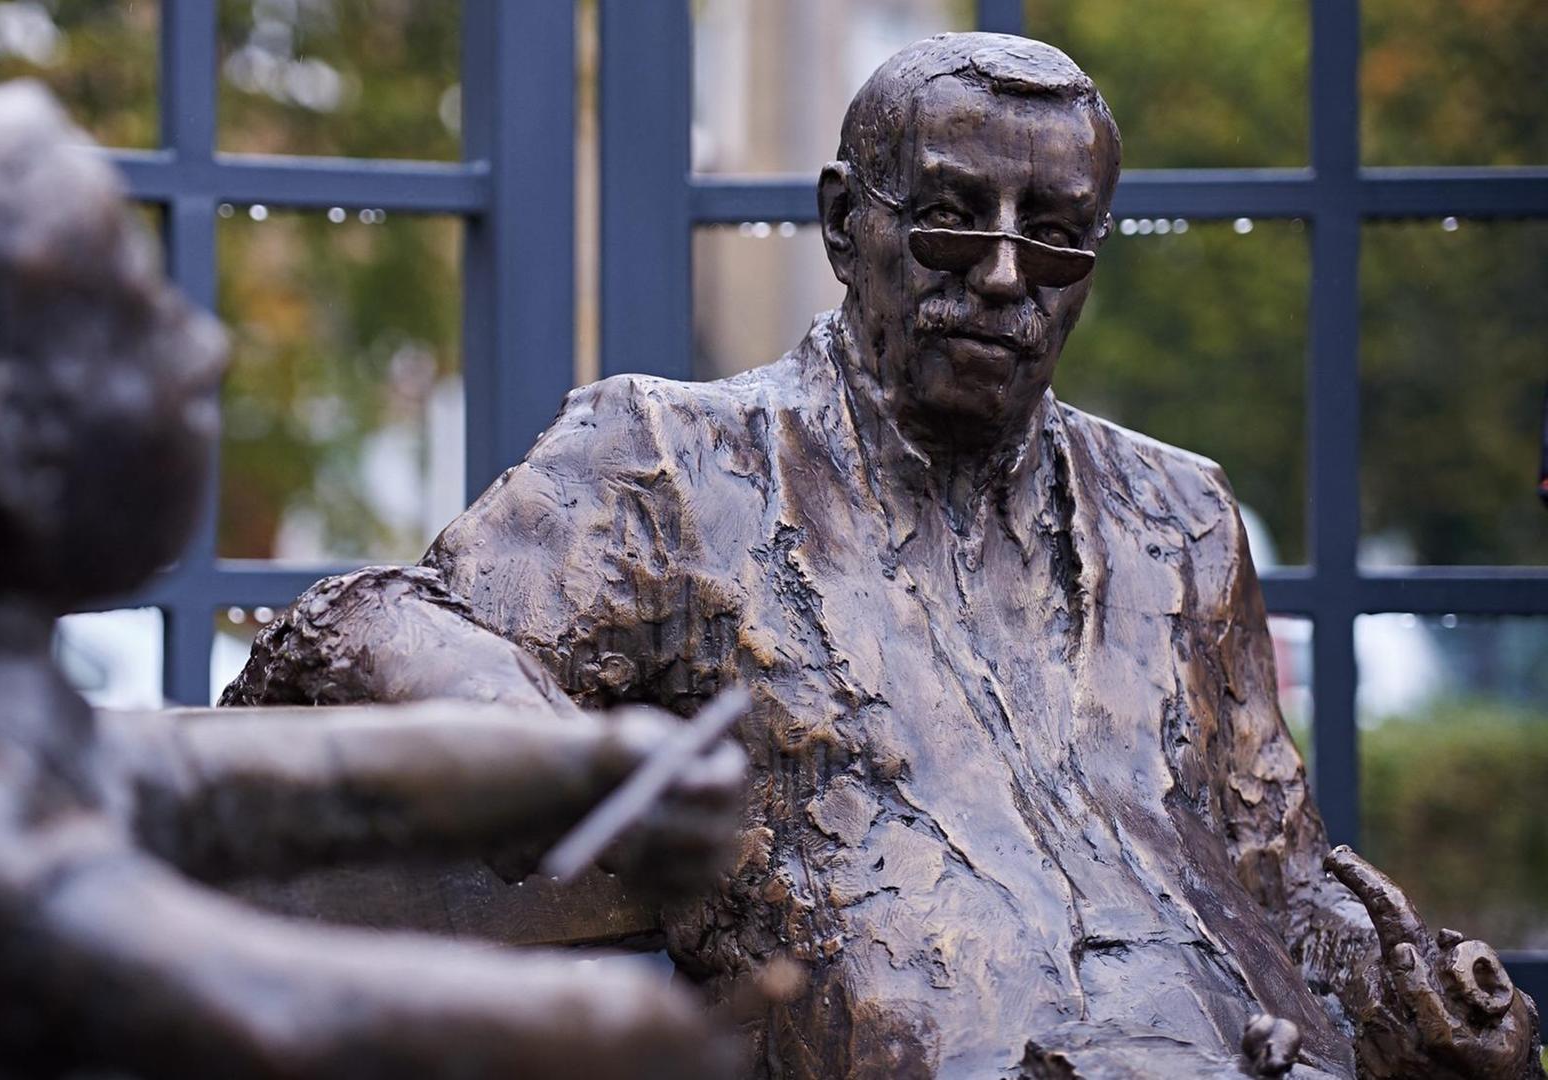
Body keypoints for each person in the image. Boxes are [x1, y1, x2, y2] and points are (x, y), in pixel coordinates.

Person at [223, 33, 1543, 1079]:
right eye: (957, 221)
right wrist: (554, 756)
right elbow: (361, 622)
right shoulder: (675, 463)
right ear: (845, 220)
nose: (1009, 277)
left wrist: (1395, 983)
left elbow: (1279, 876)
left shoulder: (1181, 513)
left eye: (1059, 232)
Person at [0, 80, 745, 1080]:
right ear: (16, 442)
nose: (204, 350)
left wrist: (581, 763)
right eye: (139, 318)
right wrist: (607, 1031)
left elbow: (270, 781)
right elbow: (274, 1009)